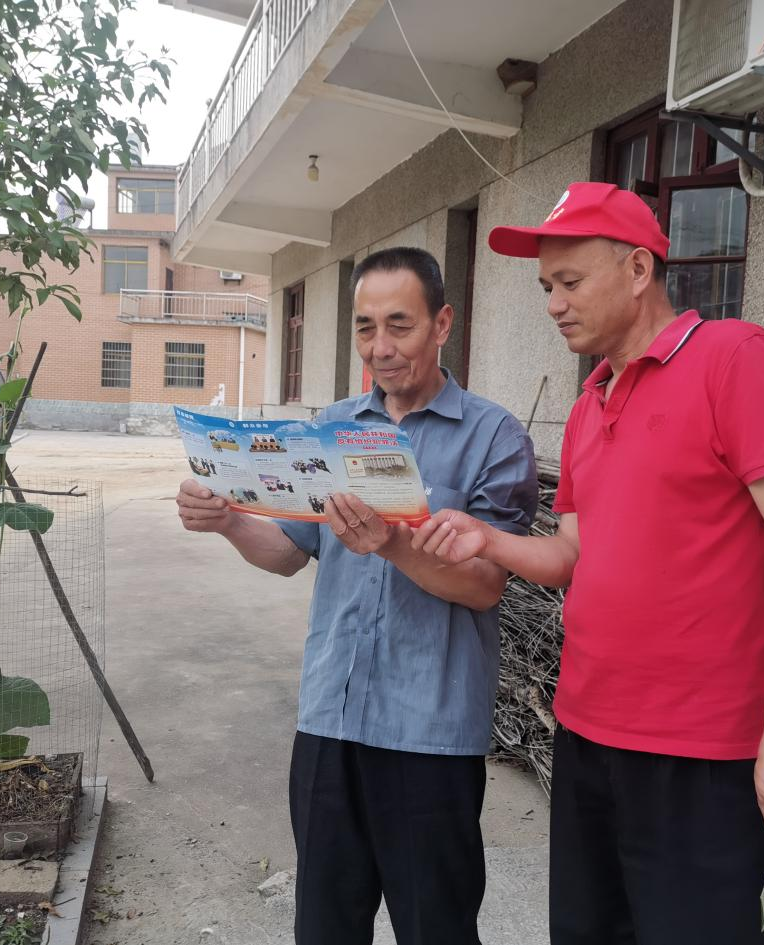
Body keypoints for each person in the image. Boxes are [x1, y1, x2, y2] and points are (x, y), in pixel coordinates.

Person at [412, 182, 764, 944]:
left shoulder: (735, 361)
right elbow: (572, 553)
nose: (554, 304)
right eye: (546, 286)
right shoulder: (589, 405)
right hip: (587, 740)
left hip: (705, 756)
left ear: (639, 270)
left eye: (570, 282)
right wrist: (486, 538)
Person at [176, 246, 539, 945]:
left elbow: (485, 586)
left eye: (400, 325)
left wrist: (393, 544)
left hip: (429, 733)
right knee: (324, 925)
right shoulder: (331, 428)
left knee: (436, 928)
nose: (380, 347)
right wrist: (228, 521)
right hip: (329, 719)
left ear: (442, 324)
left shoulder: (493, 436)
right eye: (365, 328)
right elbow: (289, 552)